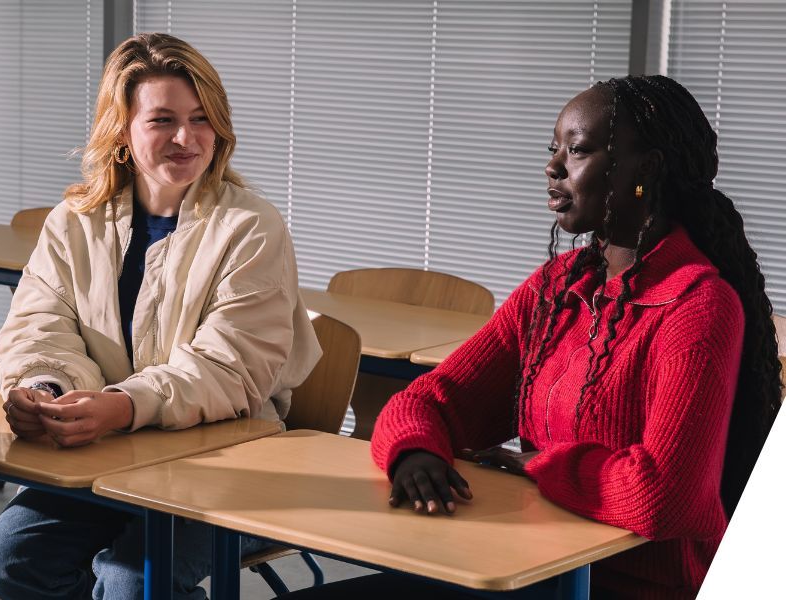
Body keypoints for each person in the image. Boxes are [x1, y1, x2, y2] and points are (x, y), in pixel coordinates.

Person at [284, 75, 782, 600]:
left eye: (579, 151)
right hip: (529, 562)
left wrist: (537, 466)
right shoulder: (557, 288)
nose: (554, 167)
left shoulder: (697, 306)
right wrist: (415, 453)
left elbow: (665, 498)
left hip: (629, 586)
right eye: (554, 150)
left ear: (647, 169)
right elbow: (429, 400)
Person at [0, 33, 321, 600]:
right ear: (123, 132)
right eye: (162, 120)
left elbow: (230, 369)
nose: (187, 138)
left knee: (135, 581)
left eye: (201, 118)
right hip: (113, 445)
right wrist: (47, 389)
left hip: (229, 450)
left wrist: (124, 405)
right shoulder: (74, 220)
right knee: (3, 569)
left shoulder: (251, 227)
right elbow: (40, 325)